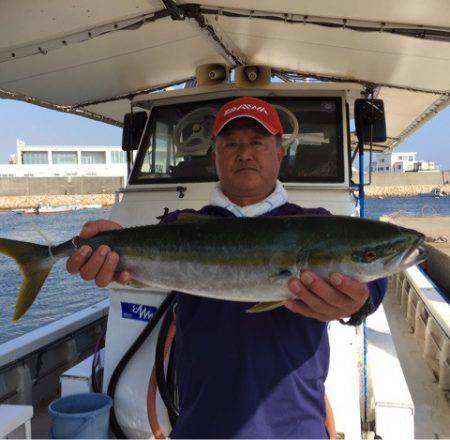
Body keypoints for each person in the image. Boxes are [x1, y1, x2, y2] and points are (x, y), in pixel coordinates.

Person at [67, 96, 387, 439]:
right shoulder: (182, 226)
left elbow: (372, 274)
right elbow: (135, 263)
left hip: (296, 429)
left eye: (257, 142)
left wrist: (362, 301)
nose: (244, 153)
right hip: (201, 428)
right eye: (231, 143)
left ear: (279, 152)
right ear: (215, 155)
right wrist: (107, 253)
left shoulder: (315, 225)